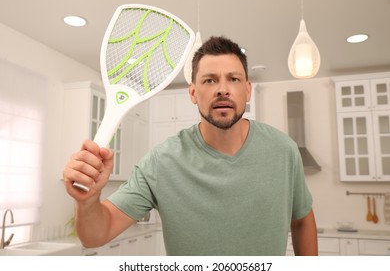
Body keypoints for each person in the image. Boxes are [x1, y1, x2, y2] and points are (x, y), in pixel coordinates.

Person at [63, 36, 318, 256]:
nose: (222, 89)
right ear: (193, 93)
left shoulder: (283, 150)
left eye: (233, 79)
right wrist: (87, 202)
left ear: (248, 90)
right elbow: (96, 234)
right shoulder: (162, 162)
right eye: (209, 80)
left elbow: (303, 220)